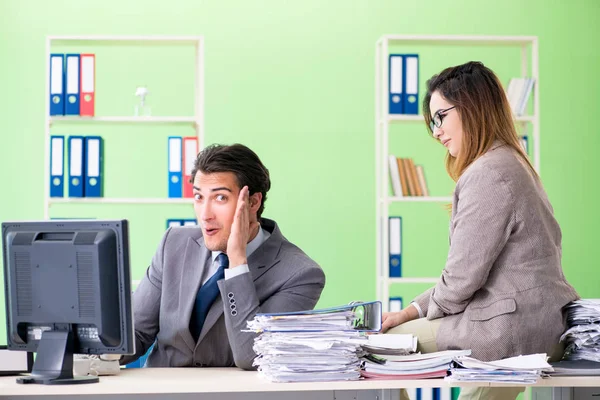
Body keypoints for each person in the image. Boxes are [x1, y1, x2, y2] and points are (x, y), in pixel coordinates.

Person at [381, 61, 579, 400]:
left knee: (384, 347)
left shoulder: (489, 173)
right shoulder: (512, 162)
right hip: (539, 321)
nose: (436, 131)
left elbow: (459, 283)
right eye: (432, 121)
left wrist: (411, 314)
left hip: (510, 330)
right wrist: (411, 310)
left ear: (471, 107)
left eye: (440, 116)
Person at [120, 143, 326, 370]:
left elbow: (252, 356)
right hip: (160, 392)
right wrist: (88, 355)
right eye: (199, 197)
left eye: (220, 198)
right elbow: (135, 334)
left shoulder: (300, 274)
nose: (205, 215)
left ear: (253, 202)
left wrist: (237, 263)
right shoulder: (173, 244)